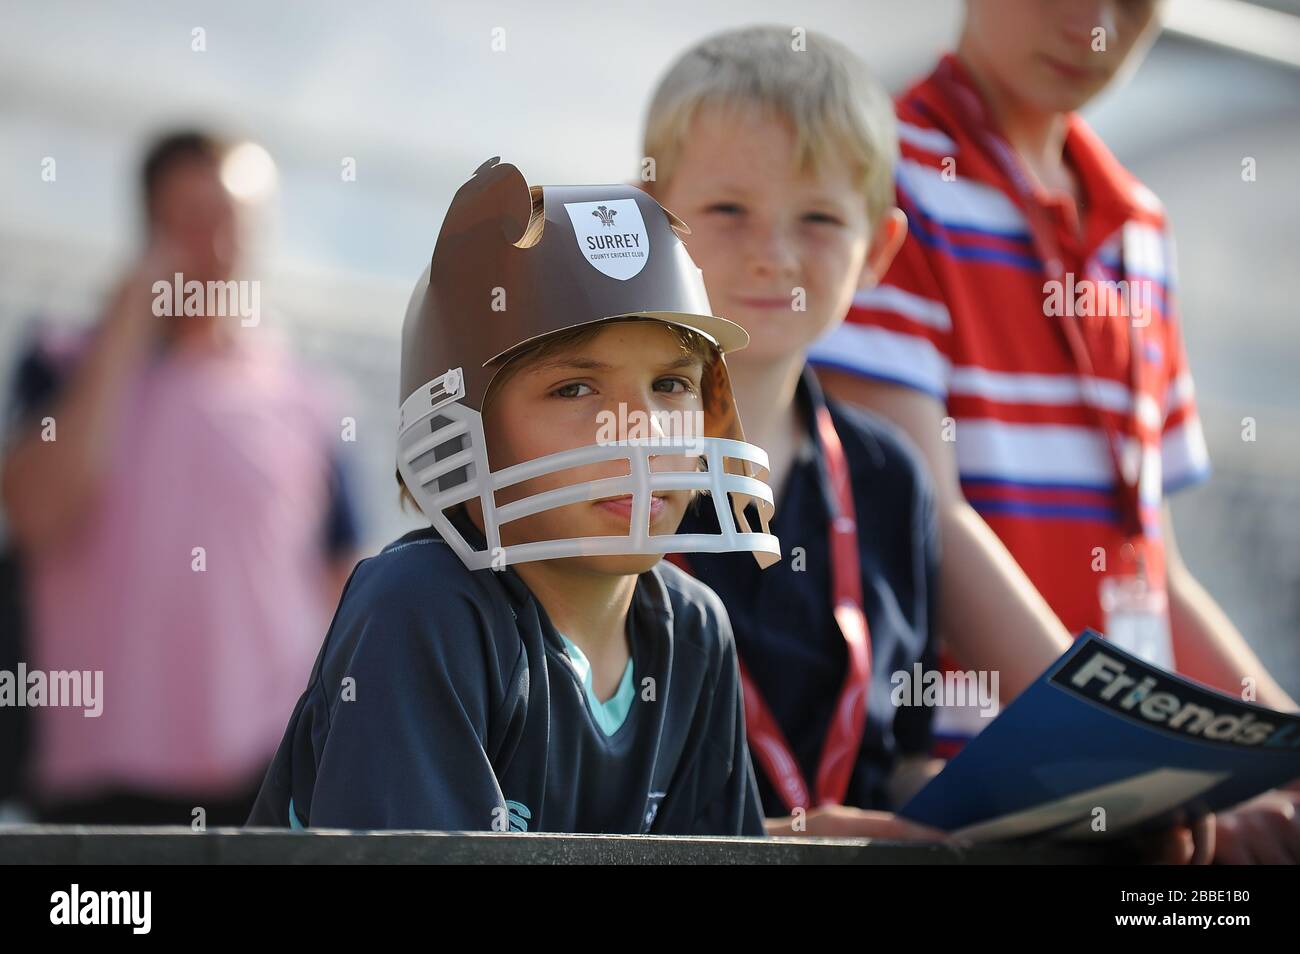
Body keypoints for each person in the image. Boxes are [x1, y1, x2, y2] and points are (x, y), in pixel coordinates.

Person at [808, 0, 1297, 862]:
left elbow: (1151, 565)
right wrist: (1111, 765)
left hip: (1125, 791)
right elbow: (924, 523)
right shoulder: (879, 178)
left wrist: (1280, 748)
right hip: (967, 800)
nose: (1093, 25)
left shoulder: (1138, 223)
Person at [246, 158, 779, 834]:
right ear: (459, 424)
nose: (637, 430)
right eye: (574, 388)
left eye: (671, 384)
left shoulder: (696, 632)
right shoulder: (425, 609)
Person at [0, 130, 361, 825]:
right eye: (192, 221)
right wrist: (127, 329)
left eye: (234, 224)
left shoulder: (308, 397)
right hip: (99, 784)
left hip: (264, 777)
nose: (217, 250)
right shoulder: (62, 361)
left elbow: (343, 582)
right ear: (148, 227)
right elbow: (40, 514)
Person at [640, 26, 946, 841]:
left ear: (878, 250)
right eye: (729, 210)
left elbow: (902, 756)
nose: (774, 255)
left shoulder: (890, 479)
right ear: (649, 224)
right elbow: (551, 797)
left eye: (817, 217)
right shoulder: (595, 468)